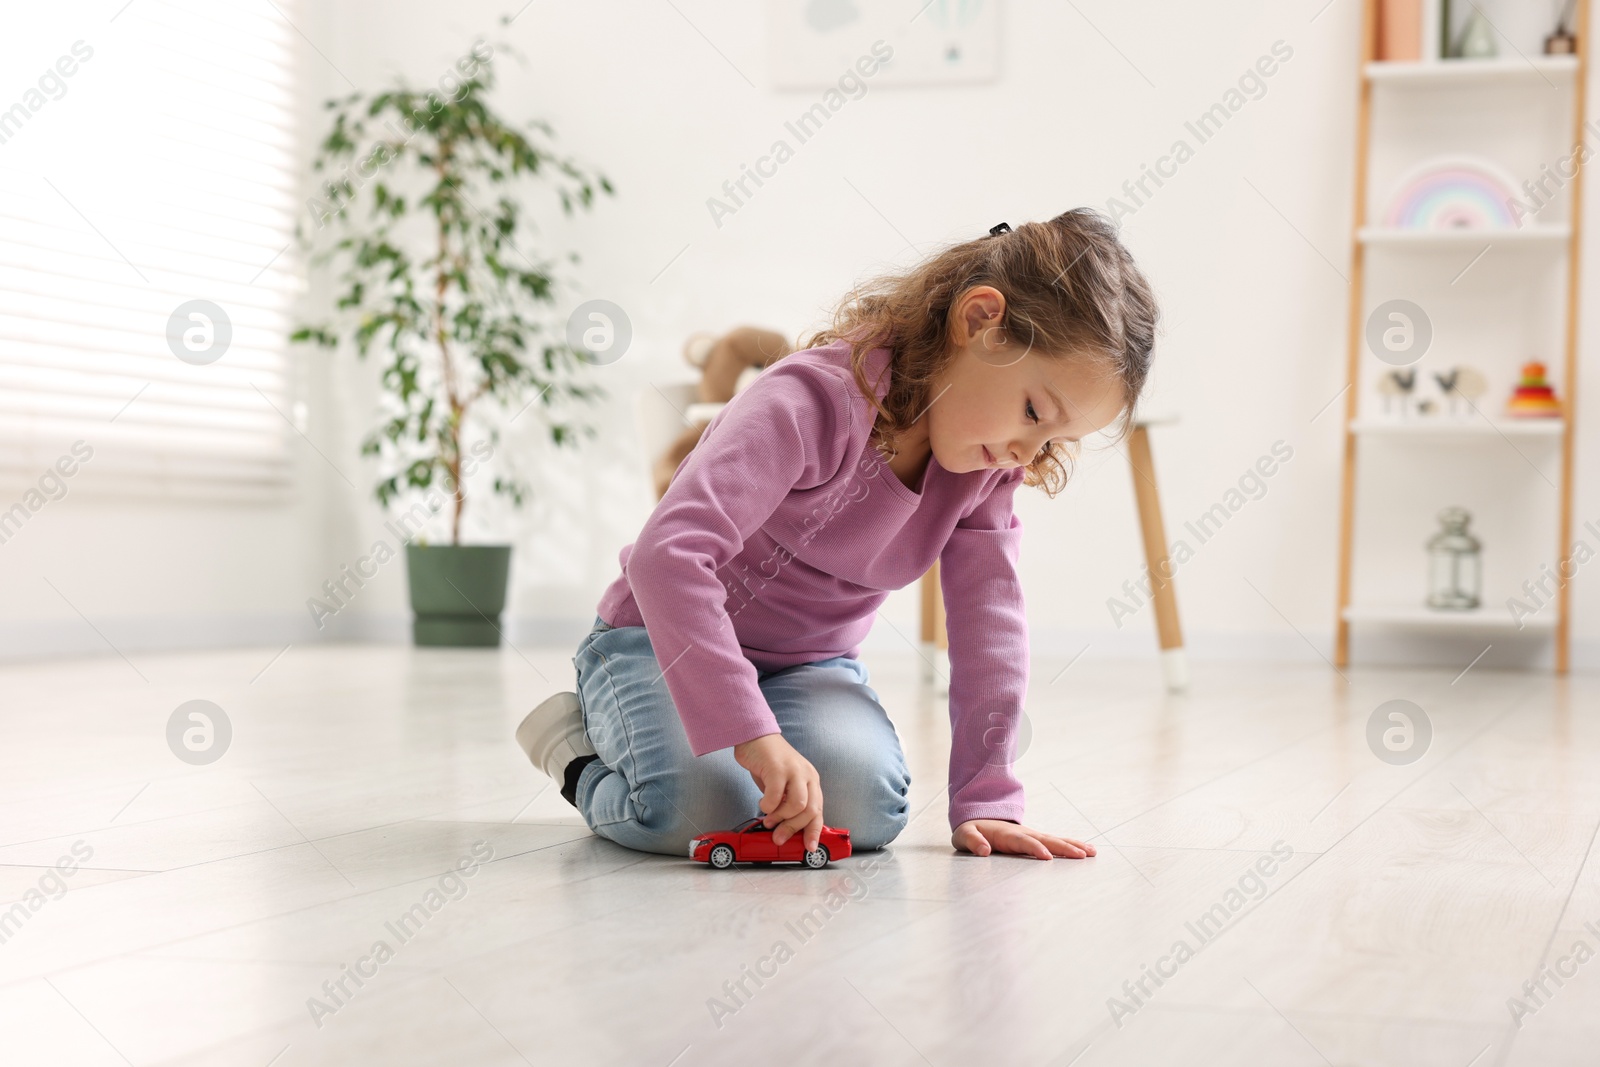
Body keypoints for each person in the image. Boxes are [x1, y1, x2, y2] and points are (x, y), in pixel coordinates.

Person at [517, 208, 1158, 862]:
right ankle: (574, 751)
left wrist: (987, 794)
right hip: (655, 642)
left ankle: (742, 739)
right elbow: (667, 557)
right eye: (1033, 412)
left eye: (1052, 439)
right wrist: (749, 733)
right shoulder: (813, 400)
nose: (1027, 453)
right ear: (978, 321)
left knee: (865, 809)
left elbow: (988, 618)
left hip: (808, 664)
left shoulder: (984, 470)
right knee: (692, 807)